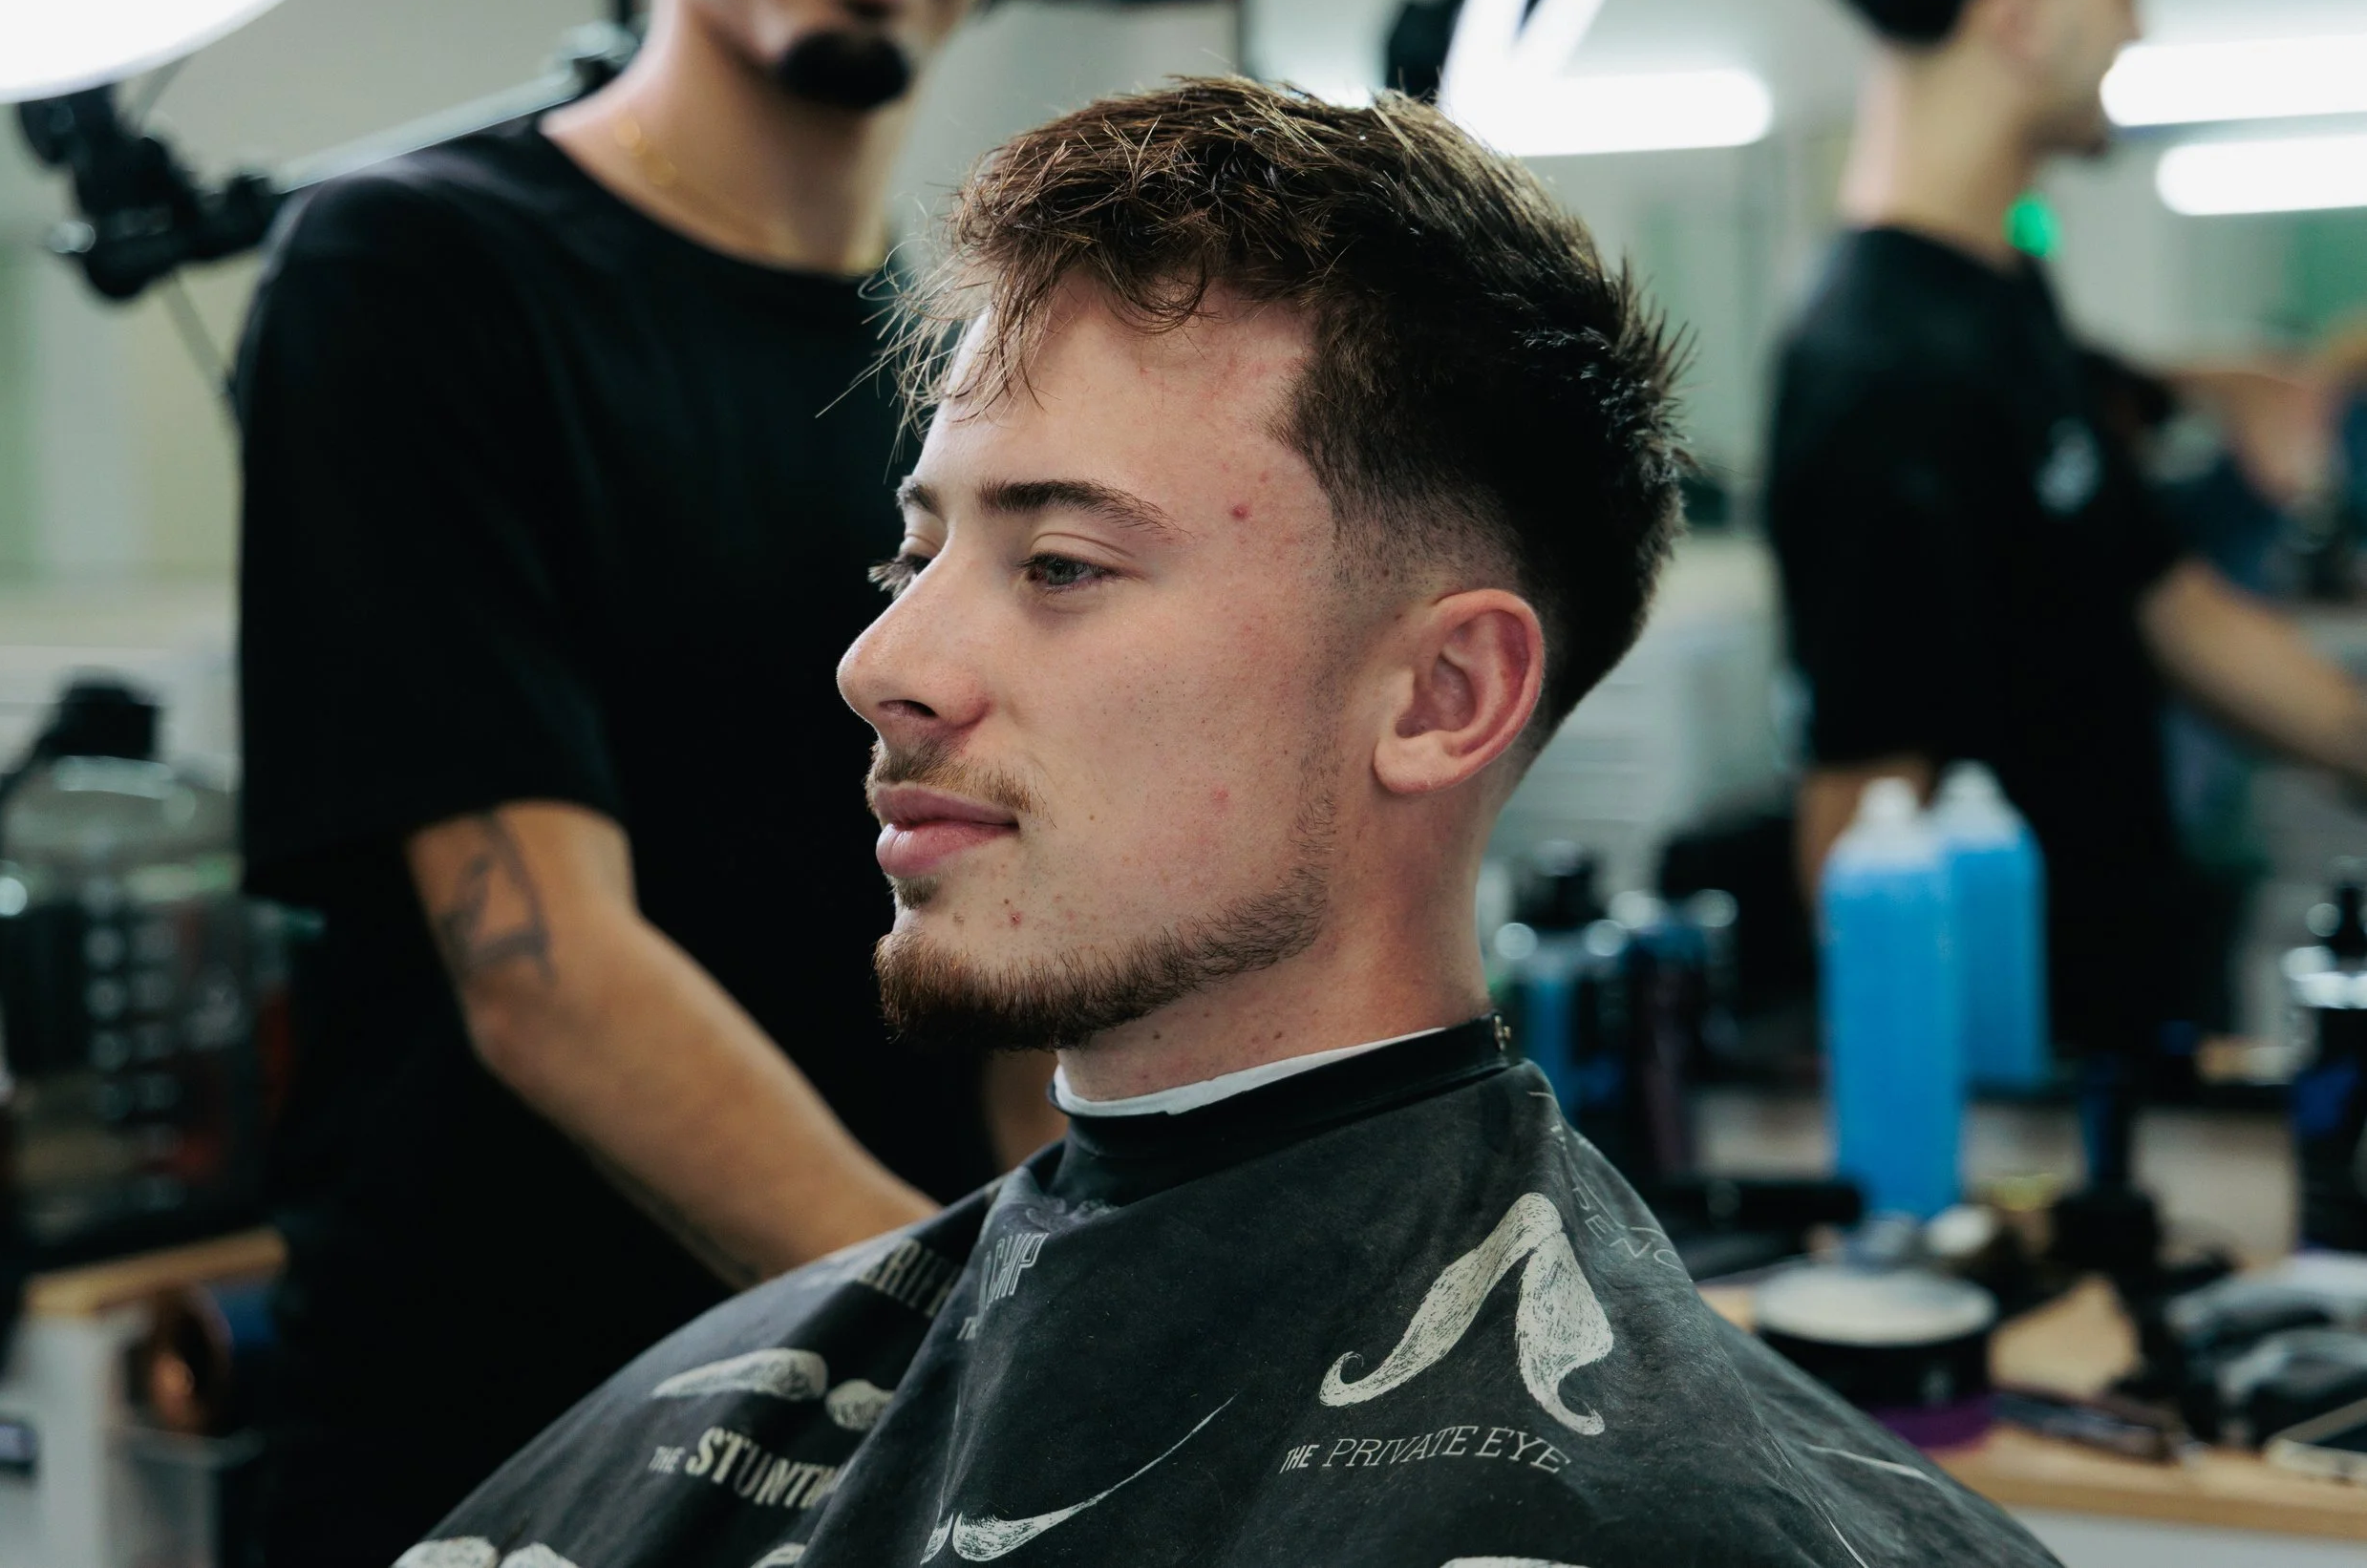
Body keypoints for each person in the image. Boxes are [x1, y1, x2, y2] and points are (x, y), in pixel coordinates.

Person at [393, 80, 2058, 1568]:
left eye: (1060, 565)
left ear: (1440, 697)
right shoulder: (737, 1405)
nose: (880, 662)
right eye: (915, 558)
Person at [230, 0, 1056, 1558]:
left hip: (881, 1469)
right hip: (510, 1440)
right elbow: (546, 973)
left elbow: (1021, 968)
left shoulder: (972, 370)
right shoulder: (414, 268)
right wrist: (975, 1343)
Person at [1772, 0, 2367, 1064]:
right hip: (2036, 1115)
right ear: (2020, 14)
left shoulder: (2001, 302)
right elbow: (1857, 842)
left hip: (2130, 1032)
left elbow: (2166, 599)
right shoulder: (1876, 373)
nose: (2136, 25)